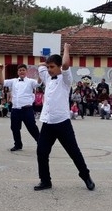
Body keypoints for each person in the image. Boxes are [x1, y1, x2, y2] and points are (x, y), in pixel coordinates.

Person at [34, 43, 94, 191]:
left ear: (59, 67)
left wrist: (66, 49)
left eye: (52, 67)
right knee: (41, 152)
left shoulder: (65, 79)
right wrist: (46, 63)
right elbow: (39, 65)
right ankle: (45, 180)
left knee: (74, 151)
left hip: (62, 123)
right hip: (47, 122)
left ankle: (85, 176)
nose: (49, 70)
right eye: (48, 67)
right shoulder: (47, 78)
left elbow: (66, 64)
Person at [0, 63, 40, 152]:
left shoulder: (31, 81)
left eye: (23, 70)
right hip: (15, 109)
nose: (22, 72)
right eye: (20, 70)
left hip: (27, 109)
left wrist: (40, 72)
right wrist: (0, 71)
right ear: (18, 72)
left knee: (32, 127)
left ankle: (41, 142)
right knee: (14, 128)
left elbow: (39, 83)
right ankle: (18, 144)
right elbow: (2, 81)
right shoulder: (14, 81)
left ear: (26, 71)